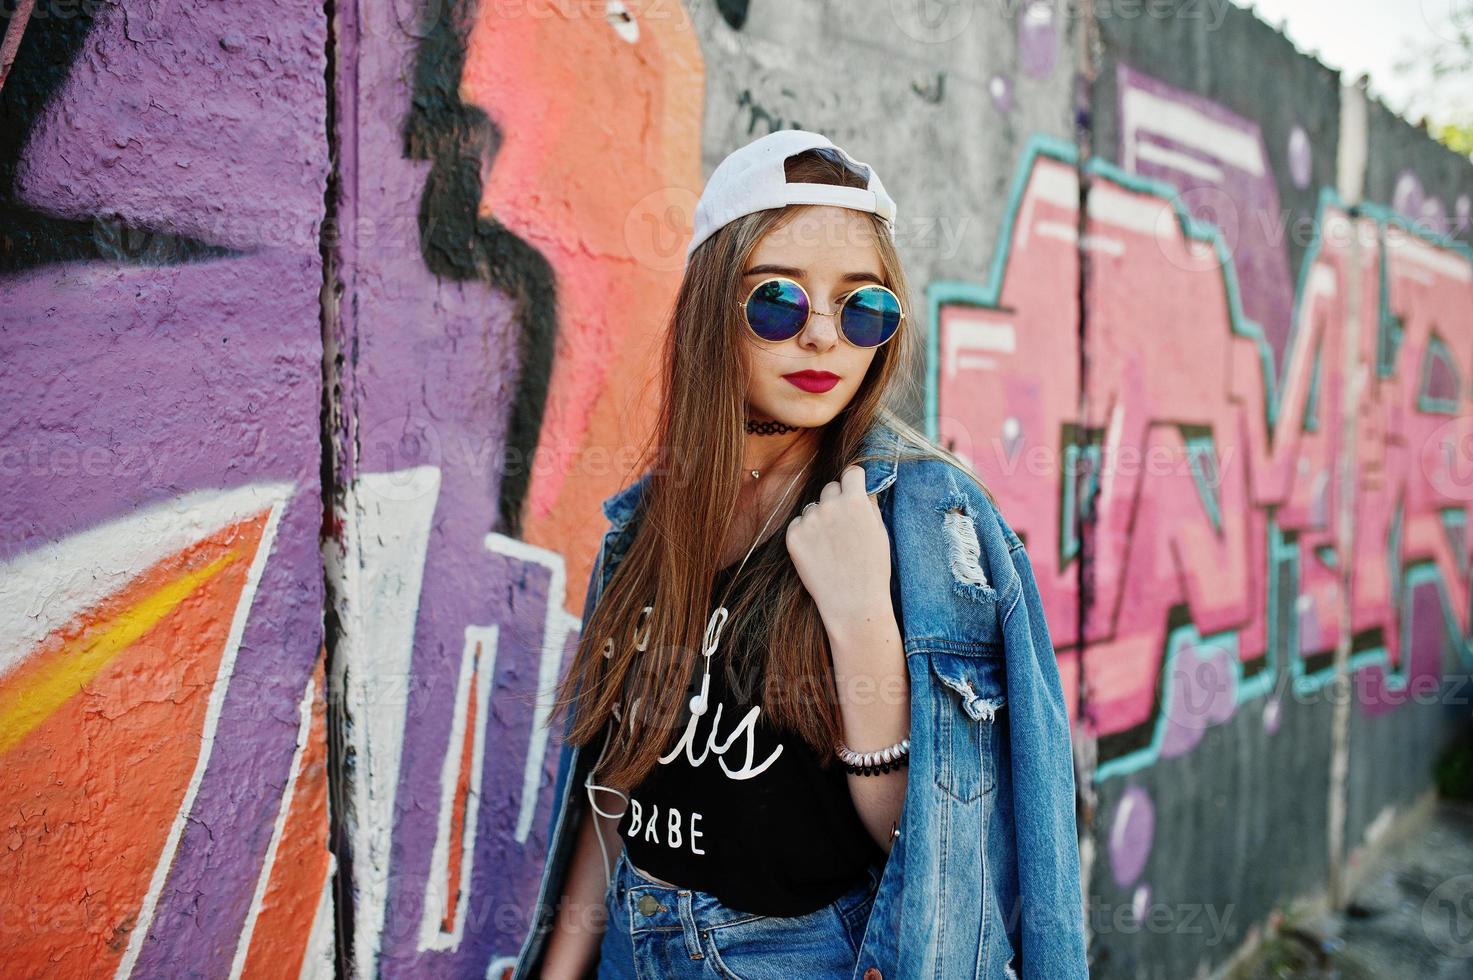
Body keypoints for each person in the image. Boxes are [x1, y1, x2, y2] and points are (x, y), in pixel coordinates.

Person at [510, 129, 1087, 979]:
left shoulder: (928, 521)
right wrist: (562, 968)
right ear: (712, 308)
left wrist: (860, 621)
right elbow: (620, 774)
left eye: (863, 309)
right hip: (636, 944)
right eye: (777, 302)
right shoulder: (651, 522)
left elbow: (934, 843)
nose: (823, 338)